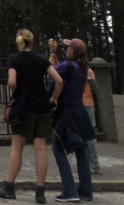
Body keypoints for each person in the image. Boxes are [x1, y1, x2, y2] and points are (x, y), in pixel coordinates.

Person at [0, 28, 63, 203]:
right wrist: (53, 98)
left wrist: (17, 92)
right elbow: (59, 81)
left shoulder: (14, 59)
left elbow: (11, 82)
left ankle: (9, 187)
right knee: (40, 149)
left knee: (17, 148)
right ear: (32, 41)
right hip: (42, 107)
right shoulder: (40, 59)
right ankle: (40, 191)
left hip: (23, 108)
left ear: (18, 41)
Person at [49, 38, 96, 203]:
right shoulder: (83, 68)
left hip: (67, 112)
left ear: (73, 52)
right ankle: (85, 191)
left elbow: (51, 71)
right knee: (82, 151)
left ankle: (69, 191)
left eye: (68, 48)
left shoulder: (69, 66)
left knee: (57, 148)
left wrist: (52, 51)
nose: (67, 50)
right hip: (80, 111)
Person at [83, 67, 101, 174]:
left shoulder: (74, 69)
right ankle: (94, 164)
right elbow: (95, 89)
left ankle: (91, 164)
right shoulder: (88, 71)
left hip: (79, 104)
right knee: (89, 135)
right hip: (88, 104)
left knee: (85, 135)